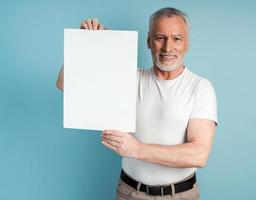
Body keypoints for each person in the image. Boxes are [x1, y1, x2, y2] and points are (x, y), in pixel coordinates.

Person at [56, 7, 218, 200]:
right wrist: (85, 44)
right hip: (129, 193)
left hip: (180, 195)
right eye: (160, 38)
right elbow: (65, 84)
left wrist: (136, 149)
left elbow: (199, 154)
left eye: (176, 39)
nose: (168, 48)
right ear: (149, 41)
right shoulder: (128, 79)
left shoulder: (200, 87)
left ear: (187, 44)